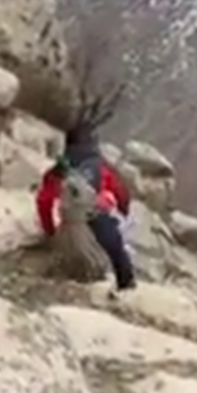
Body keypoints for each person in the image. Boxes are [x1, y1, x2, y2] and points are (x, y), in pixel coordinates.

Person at [35, 123, 136, 291]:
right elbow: (122, 195)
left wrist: (50, 231)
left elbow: (44, 203)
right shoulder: (101, 168)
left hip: (68, 228)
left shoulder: (56, 172)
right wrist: (123, 212)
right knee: (117, 249)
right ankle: (125, 283)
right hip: (96, 225)